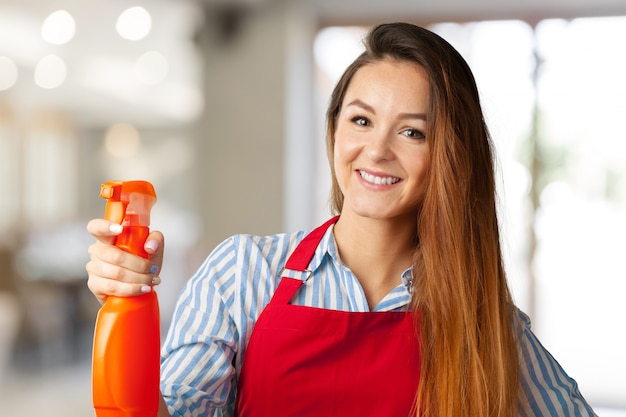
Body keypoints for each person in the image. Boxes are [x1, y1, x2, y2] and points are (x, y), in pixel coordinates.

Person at [86, 22, 597, 417]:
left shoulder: (478, 313)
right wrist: (128, 307)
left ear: (449, 156)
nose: (376, 150)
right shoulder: (242, 272)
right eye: (361, 120)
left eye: (413, 132)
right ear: (334, 131)